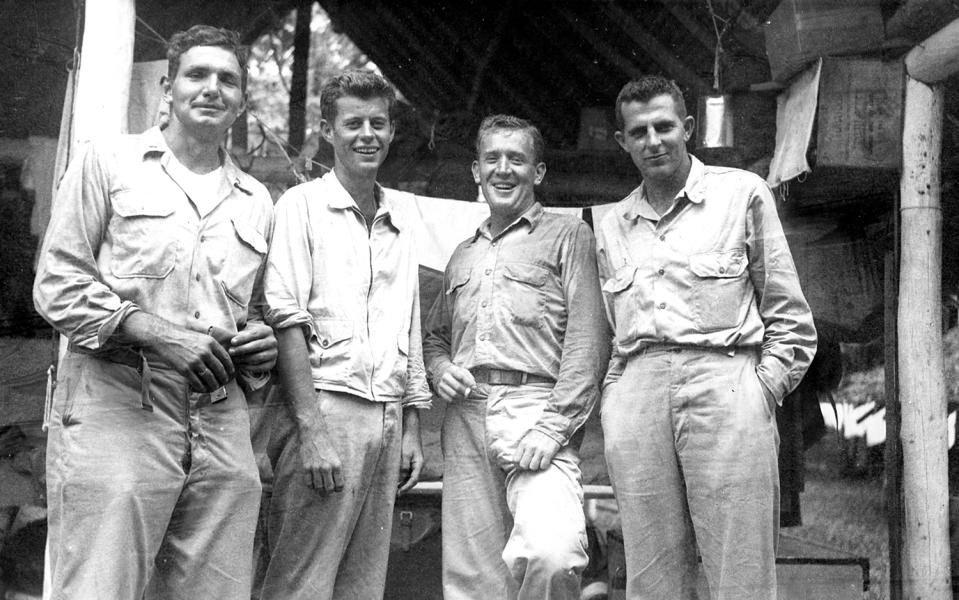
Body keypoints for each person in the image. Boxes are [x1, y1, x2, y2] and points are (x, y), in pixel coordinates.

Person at [33, 25, 276, 599]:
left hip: (220, 417)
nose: (212, 88)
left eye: (228, 79)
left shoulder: (257, 200)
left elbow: (257, 314)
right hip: (118, 401)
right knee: (101, 586)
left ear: (241, 100)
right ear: (168, 88)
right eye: (197, 75)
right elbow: (57, 283)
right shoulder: (110, 162)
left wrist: (259, 345)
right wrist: (155, 332)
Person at [595, 75, 817, 600]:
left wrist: (758, 393)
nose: (654, 140)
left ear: (688, 128)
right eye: (639, 131)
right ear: (622, 142)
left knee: (738, 571)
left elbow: (791, 318)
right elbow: (611, 331)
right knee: (651, 576)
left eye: (664, 126)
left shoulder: (741, 193)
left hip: (727, 385)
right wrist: (615, 400)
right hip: (639, 394)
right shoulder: (612, 225)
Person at [258, 70, 430, 600]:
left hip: (387, 415)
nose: (367, 135)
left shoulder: (402, 215)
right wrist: (311, 431)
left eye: (378, 123)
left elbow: (410, 322)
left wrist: (412, 427)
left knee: (361, 586)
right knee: (300, 582)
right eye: (352, 123)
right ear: (328, 131)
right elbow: (284, 317)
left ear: (392, 131)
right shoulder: (301, 206)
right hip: (326, 412)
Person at [424, 114, 610, 599]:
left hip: (536, 410)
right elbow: (435, 338)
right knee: (472, 581)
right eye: (492, 159)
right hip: (465, 419)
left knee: (553, 555)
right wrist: (441, 369)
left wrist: (553, 427)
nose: (503, 170)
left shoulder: (570, 237)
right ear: (475, 170)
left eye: (517, 159)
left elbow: (588, 343)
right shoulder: (462, 254)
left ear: (539, 172)